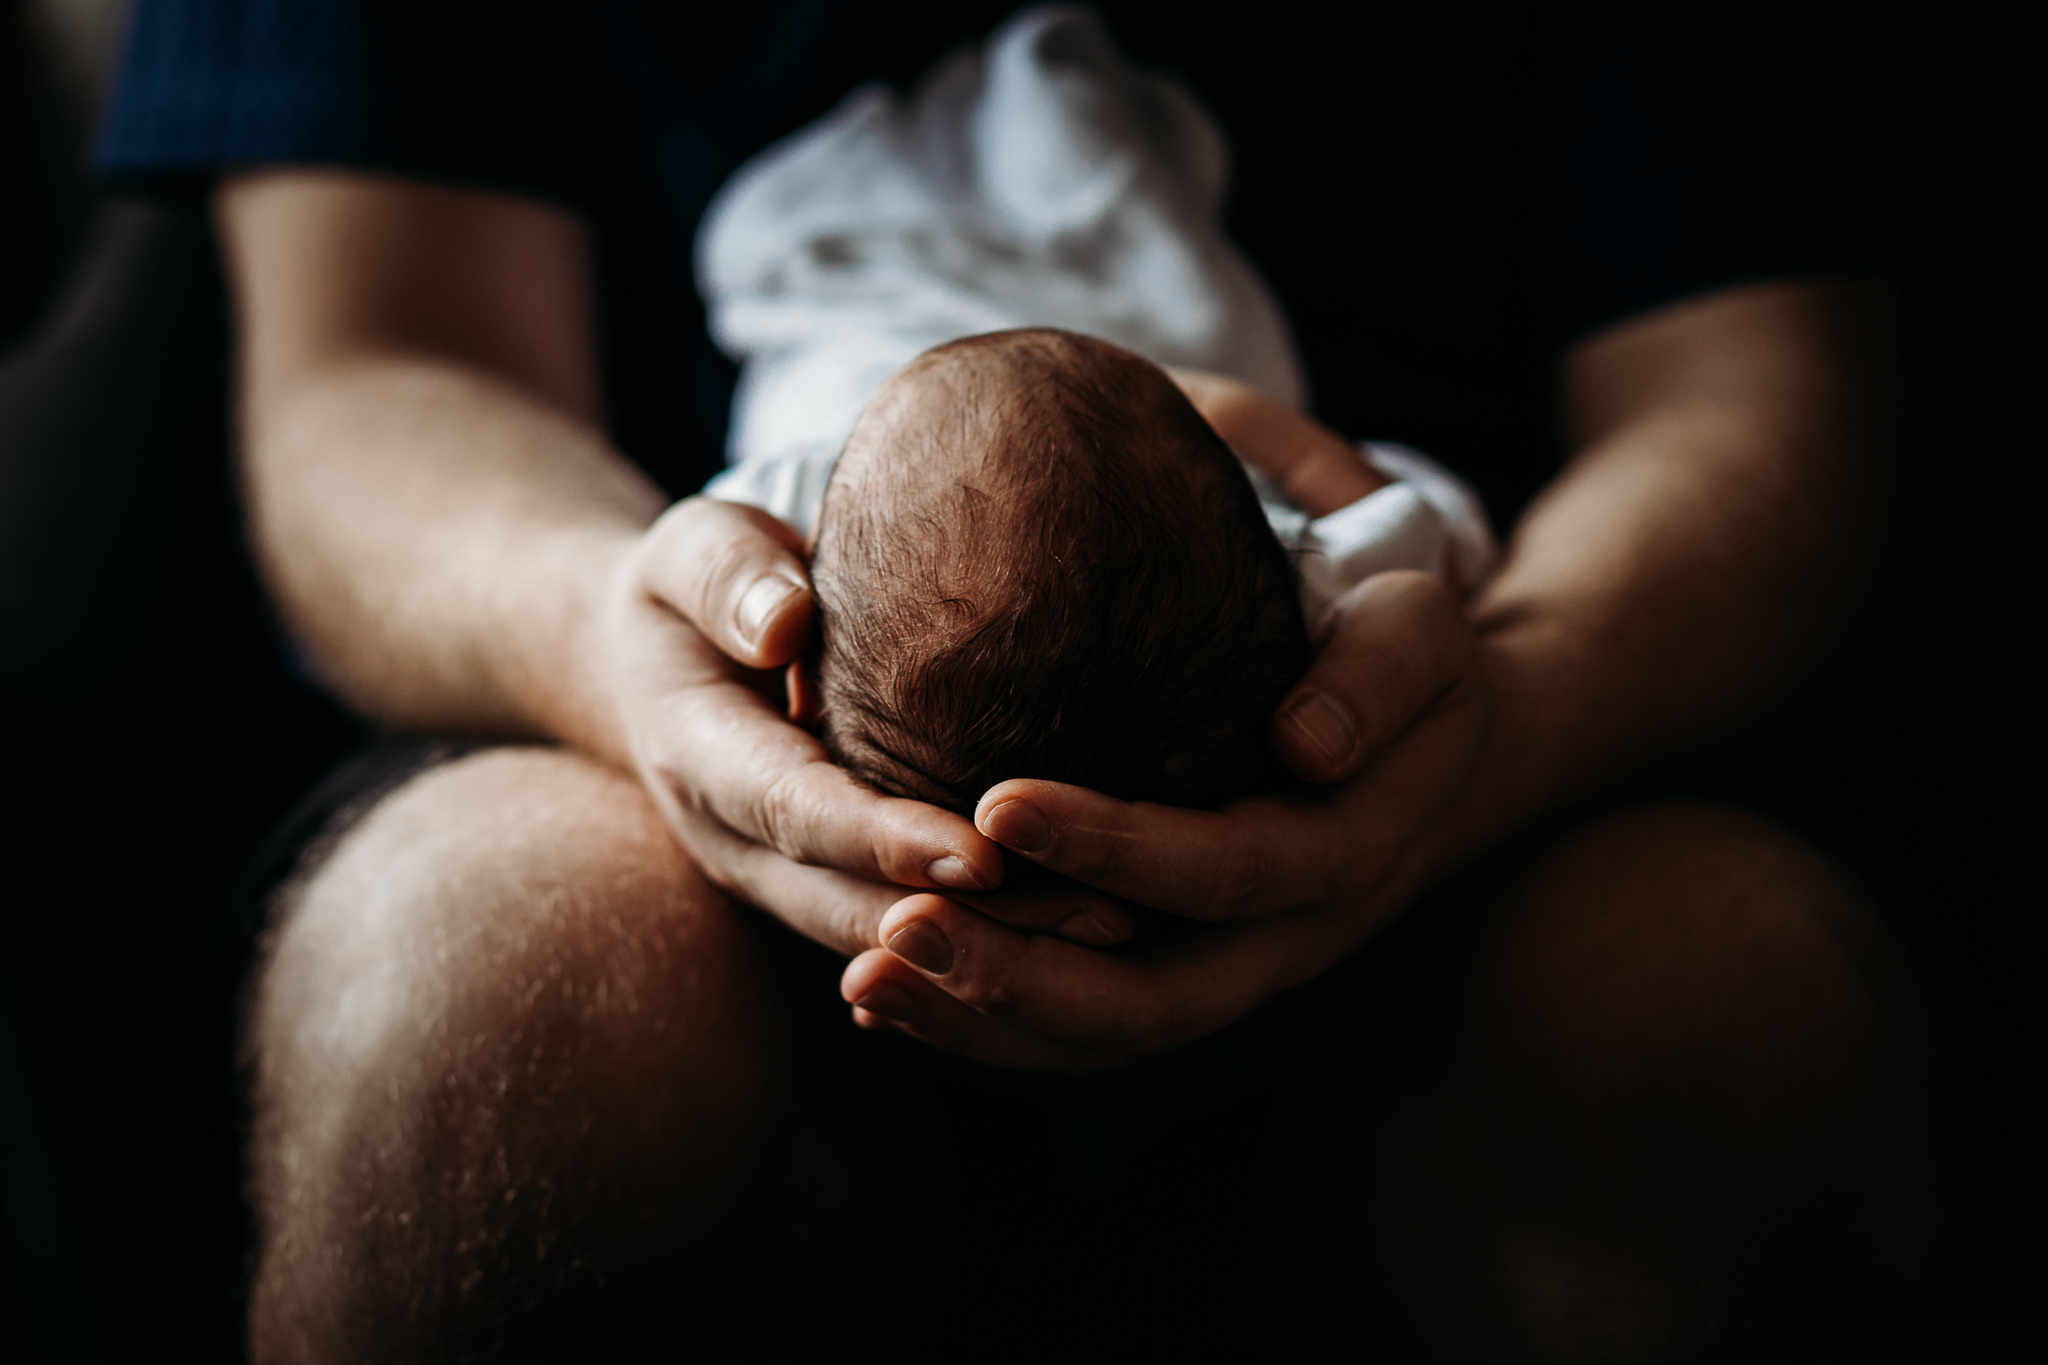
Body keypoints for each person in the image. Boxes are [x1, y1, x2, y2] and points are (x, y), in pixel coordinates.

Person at [99, 0, 1948, 1358]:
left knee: (1709, 1020)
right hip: (629, 750)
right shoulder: (793, 520)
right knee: (490, 992)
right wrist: (629, 634)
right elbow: (381, 363)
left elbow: (1760, 390)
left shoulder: (1327, 596)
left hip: (1503, 796)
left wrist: (1479, 701)